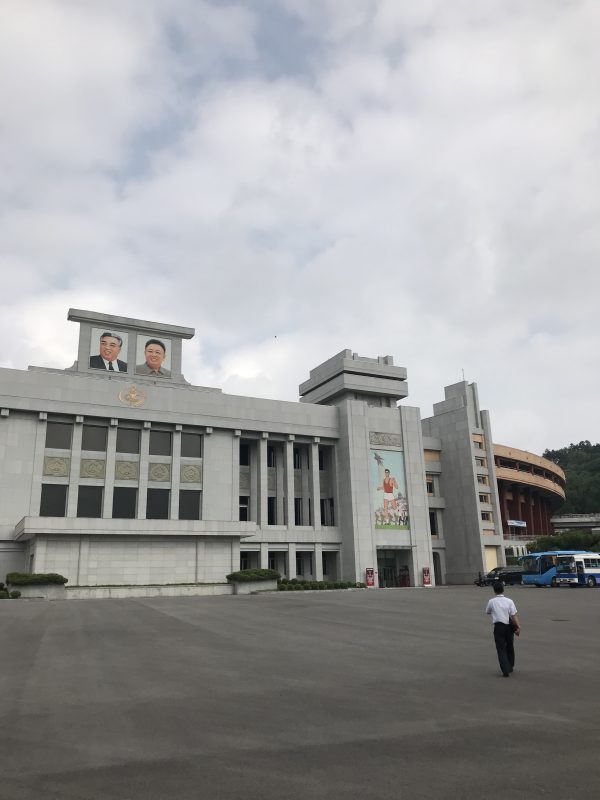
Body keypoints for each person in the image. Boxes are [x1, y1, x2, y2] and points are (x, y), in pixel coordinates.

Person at [485, 581, 521, 677]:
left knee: (501, 648)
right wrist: (518, 627)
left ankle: (505, 669)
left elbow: (487, 611)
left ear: (494, 590)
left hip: (498, 627)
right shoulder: (509, 601)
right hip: (509, 627)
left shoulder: (491, 601)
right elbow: (514, 615)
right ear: (503, 589)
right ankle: (510, 665)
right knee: (510, 645)